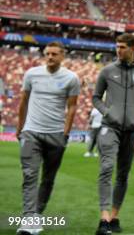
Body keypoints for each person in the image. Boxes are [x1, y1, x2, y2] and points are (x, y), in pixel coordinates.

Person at [16, 42, 80, 235]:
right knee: (29, 175)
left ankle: (36, 213)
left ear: (62, 56)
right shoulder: (31, 74)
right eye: (47, 53)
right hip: (31, 133)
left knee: (48, 179)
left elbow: (72, 108)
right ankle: (28, 218)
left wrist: (66, 134)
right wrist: (20, 128)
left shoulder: (71, 78)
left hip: (56, 135)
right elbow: (23, 101)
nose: (50, 56)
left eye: (54, 54)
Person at [92, 33, 134, 235]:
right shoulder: (106, 71)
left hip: (133, 129)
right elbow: (96, 98)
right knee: (106, 168)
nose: (118, 50)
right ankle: (104, 218)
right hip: (110, 127)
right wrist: (107, 112)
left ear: (133, 48)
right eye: (117, 46)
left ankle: (114, 216)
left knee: (123, 175)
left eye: (122, 47)